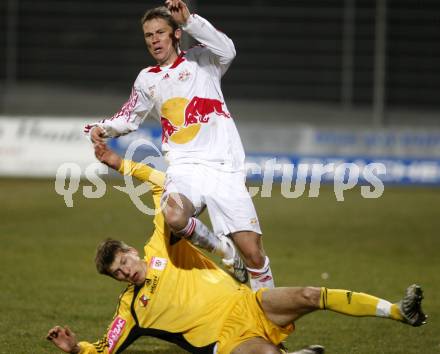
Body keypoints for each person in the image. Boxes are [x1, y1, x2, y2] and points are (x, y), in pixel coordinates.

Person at [46, 143, 427, 354]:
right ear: (116, 279)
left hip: (250, 304)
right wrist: (75, 348)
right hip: (227, 342)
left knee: (312, 294)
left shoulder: (160, 244)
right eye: (117, 271)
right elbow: (104, 348)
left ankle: (399, 311)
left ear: (132, 250)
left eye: (123, 260)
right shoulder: (131, 309)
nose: (125, 270)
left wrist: (118, 163)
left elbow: (163, 183)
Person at [84, 0, 273, 290]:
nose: (154, 40)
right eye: (149, 35)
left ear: (175, 34)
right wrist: (102, 128)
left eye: (160, 32)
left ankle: (268, 328)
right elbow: (129, 115)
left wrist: (189, 21)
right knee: (173, 215)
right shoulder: (147, 79)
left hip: (224, 166)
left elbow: (229, 49)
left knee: (254, 255)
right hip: (185, 168)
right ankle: (225, 252)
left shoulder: (203, 60)